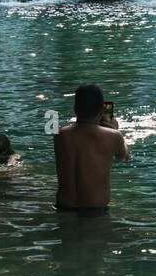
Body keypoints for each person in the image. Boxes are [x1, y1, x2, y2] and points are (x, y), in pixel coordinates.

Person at [54, 83, 129, 213]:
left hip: (63, 207)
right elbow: (124, 157)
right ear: (102, 110)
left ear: (75, 108)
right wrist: (114, 129)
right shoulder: (113, 136)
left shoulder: (60, 135)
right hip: (96, 211)